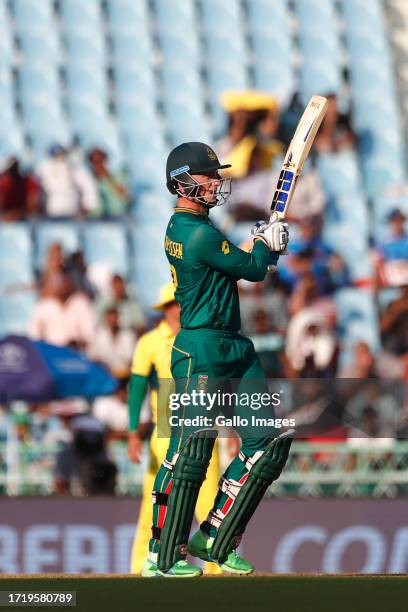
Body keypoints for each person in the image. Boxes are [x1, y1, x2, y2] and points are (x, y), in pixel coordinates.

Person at [141, 141, 292, 578]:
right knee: (191, 452)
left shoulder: (197, 229)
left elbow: (238, 262)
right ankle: (162, 553)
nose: (216, 181)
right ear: (182, 182)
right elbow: (252, 269)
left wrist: (262, 245)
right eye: (208, 175)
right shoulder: (194, 231)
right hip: (200, 349)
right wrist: (266, 247)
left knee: (269, 440)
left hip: (233, 346)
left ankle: (216, 537)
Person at [128, 282, 224, 575]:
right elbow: (137, 389)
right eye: (176, 303)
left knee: (211, 504)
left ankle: (216, 568)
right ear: (167, 308)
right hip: (166, 434)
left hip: (203, 429)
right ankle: (140, 569)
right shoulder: (150, 343)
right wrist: (133, 432)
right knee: (155, 504)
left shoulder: (204, 339)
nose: (181, 309)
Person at [36, 145, 98, 217]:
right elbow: (36, 185)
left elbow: (88, 185)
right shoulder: (44, 168)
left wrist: (88, 205)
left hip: (72, 207)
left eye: (61, 154)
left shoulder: (74, 167)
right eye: (56, 155)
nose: (59, 157)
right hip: (51, 207)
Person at [87, 307, 135, 378]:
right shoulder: (98, 335)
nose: (113, 321)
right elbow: (91, 356)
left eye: (115, 318)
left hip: (125, 375)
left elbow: (132, 357)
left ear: (119, 319)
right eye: (110, 318)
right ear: (106, 319)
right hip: (104, 375)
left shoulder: (128, 335)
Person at [87, 148, 130, 217]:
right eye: (95, 161)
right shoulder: (89, 180)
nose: (98, 164)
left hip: (117, 215)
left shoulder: (117, 176)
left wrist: (111, 181)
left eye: (100, 160)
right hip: (96, 219)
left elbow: (126, 197)